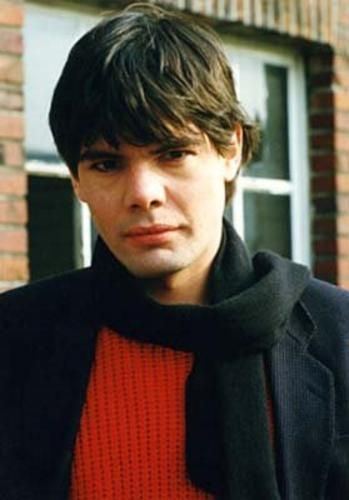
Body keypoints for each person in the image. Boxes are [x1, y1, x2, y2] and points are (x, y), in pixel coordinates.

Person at [0, 3, 348, 499]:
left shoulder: (339, 339)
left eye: (172, 153)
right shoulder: (16, 341)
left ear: (231, 150)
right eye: (106, 164)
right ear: (76, 179)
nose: (144, 192)